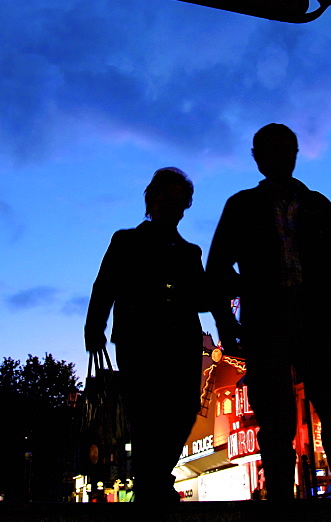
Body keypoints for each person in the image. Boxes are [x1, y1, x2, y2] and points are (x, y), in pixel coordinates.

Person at [207, 123, 331, 509]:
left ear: (296, 153)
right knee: (276, 415)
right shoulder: (242, 205)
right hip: (269, 320)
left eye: (287, 149)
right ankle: (281, 496)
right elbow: (217, 270)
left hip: (319, 319)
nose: (281, 157)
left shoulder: (318, 206)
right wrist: (229, 321)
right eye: (272, 151)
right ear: (258, 158)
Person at [84, 167, 205, 504]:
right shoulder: (126, 241)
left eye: (181, 201)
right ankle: (153, 481)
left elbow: (201, 298)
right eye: (170, 200)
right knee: (148, 409)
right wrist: (94, 327)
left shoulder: (189, 252)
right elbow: (104, 285)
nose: (176, 208)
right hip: (141, 339)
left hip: (180, 341)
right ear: (153, 201)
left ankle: (155, 477)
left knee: (181, 409)